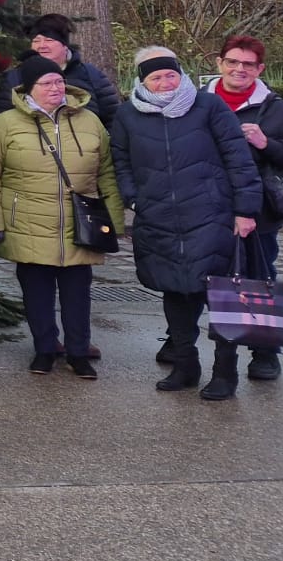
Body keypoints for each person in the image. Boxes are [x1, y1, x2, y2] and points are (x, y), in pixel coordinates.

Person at [111, 48, 263, 400]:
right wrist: (135, 197)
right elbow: (120, 161)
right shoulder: (127, 115)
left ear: (180, 74)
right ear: (142, 81)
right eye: (155, 77)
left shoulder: (208, 107)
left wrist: (246, 210)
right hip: (159, 217)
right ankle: (185, 364)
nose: (164, 82)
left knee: (222, 297)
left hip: (211, 215)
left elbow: (238, 158)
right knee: (175, 291)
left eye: (170, 75)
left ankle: (225, 372)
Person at [0, 53, 123, 376]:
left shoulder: (88, 120)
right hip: (27, 221)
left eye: (59, 81)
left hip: (79, 223)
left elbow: (106, 172)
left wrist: (114, 220)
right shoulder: (6, 123)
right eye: (47, 83)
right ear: (29, 89)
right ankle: (44, 348)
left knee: (78, 293)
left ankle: (78, 352)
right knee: (37, 292)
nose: (56, 87)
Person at [206, 35, 283, 383]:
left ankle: (265, 352)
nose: (239, 69)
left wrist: (266, 143)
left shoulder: (273, 107)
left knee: (258, 278)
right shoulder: (197, 102)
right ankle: (180, 342)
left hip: (260, 212)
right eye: (233, 62)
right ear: (219, 63)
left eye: (248, 64)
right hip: (207, 207)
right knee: (199, 273)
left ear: (260, 69)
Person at [0, 13, 120, 124]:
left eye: (49, 40)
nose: (42, 46)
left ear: (65, 46)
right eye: (36, 41)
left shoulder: (90, 74)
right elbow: (1, 123)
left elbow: (113, 120)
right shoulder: (16, 77)